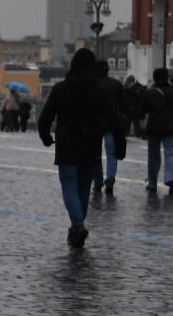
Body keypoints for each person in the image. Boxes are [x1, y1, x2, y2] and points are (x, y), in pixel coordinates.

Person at [37, 48, 130, 249]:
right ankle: (77, 225)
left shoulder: (60, 89)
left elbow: (45, 118)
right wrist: (120, 145)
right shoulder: (99, 91)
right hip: (91, 143)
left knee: (69, 183)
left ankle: (77, 224)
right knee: (84, 188)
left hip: (67, 144)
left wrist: (46, 136)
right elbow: (114, 120)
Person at [141, 67, 173, 196]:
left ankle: (152, 183)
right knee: (171, 153)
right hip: (172, 127)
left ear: (154, 78)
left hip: (154, 128)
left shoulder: (149, 93)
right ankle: (172, 179)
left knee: (153, 156)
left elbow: (142, 110)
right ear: (167, 77)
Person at [95, 60, 127, 196]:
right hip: (111, 123)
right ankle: (110, 180)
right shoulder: (116, 84)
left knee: (95, 154)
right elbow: (123, 104)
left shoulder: (92, 84)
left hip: (95, 124)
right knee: (112, 154)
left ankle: (97, 180)